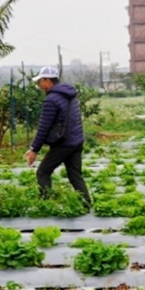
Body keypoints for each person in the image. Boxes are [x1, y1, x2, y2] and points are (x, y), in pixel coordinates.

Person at [24, 67, 91, 204]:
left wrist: (34, 150)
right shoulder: (70, 94)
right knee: (75, 175)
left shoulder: (51, 100)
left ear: (48, 81)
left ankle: (47, 203)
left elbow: (44, 127)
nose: (39, 84)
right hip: (76, 141)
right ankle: (86, 202)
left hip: (64, 143)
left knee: (43, 172)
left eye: (40, 81)